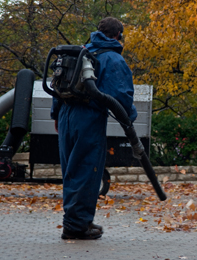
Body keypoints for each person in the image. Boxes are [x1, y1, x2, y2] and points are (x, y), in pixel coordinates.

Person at [51, 17, 137, 240]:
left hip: (66, 113)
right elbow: (121, 97)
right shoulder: (112, 59)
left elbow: (58, 84)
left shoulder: (79, 53)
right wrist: (130, 118)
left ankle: (77, 222)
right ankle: (76, 227)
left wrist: (56, 116)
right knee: (88, 171)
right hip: (88, 118)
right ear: (118, 35)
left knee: (72, 171)